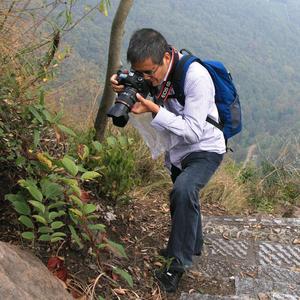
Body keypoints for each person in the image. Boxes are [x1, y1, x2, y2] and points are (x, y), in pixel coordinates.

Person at [110, 28, 226, 293]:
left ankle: (176, 265)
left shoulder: (196, 77)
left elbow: (193, 131)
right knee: (183, 198)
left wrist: (155, 110)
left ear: (165, 57)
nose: (147, 79)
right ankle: (192, 244)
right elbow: (142, 83)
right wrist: (123, 83)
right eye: (140, 73)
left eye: (149, 73)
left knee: (184, 189)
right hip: (177, 150)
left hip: (205, 146)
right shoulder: (151, 72)